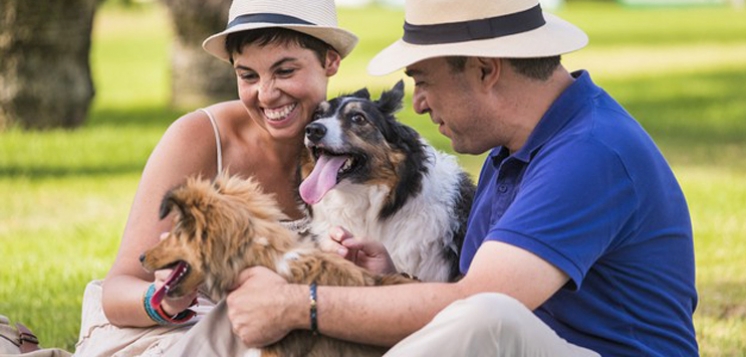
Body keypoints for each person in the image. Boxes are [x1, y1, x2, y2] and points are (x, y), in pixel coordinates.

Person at [163, 0, 699, 356]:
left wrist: (298, 303)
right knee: (244, 321)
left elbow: (487, 305)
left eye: (423, 81)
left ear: (485, 70)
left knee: (488, 316)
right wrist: (392, 277)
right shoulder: (515, 150)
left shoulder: (590, 153)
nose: (417, 104)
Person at [73, 0, 357, 355]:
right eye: (248, 75)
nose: (266, 94)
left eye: (284, 71)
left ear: (330, 60)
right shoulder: (200, 138)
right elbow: (119, 289)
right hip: (183, 336)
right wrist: (162, 299)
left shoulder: (364, 150)